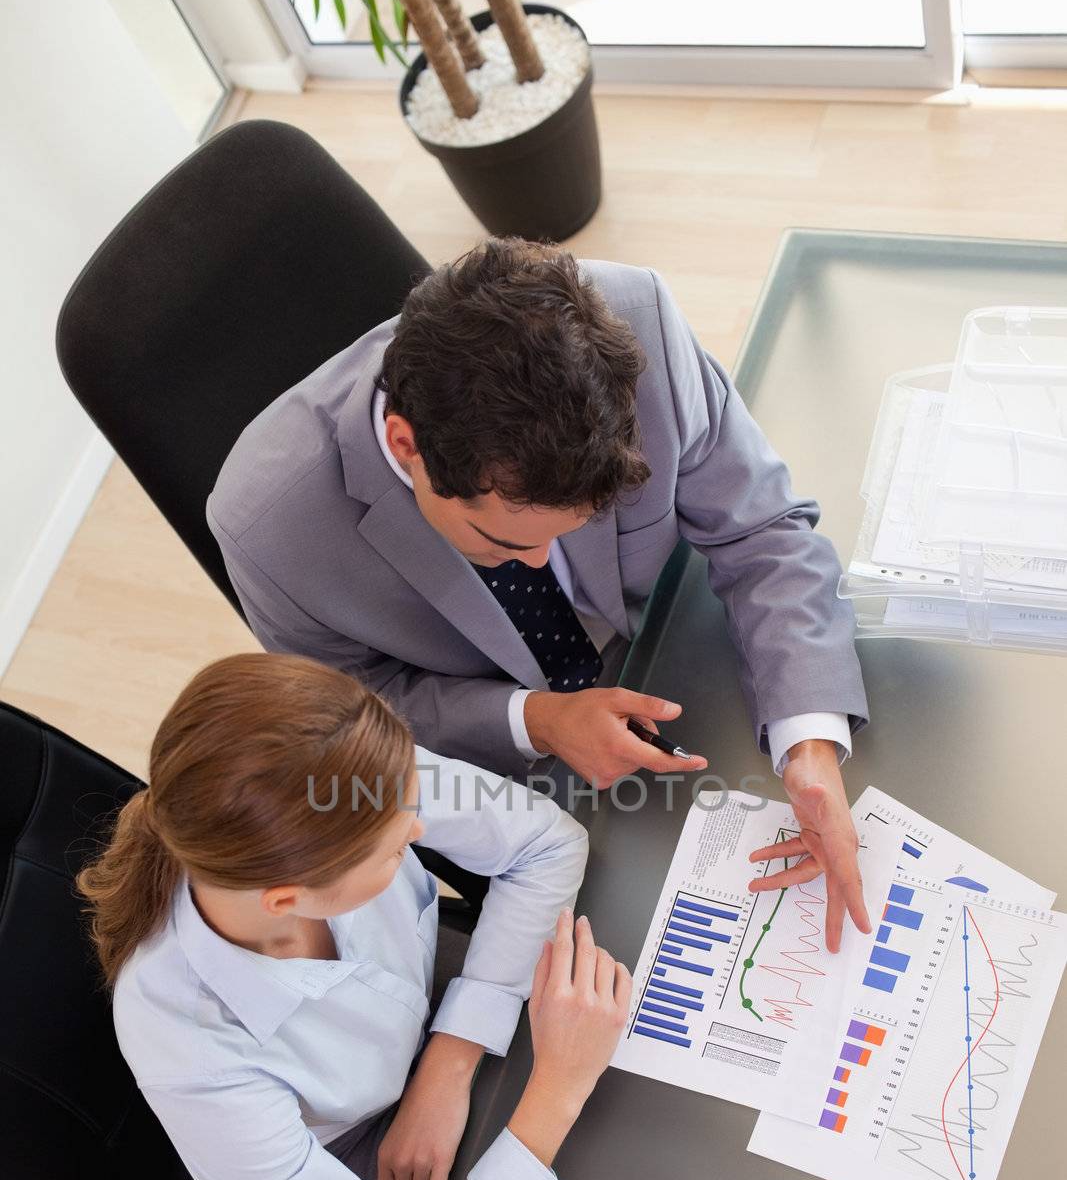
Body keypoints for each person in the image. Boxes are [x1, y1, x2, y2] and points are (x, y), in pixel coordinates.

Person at [208, 237, 870, 952]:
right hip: (526, 778)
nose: (544, 560)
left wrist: (808, 744)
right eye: (504, 545)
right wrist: (537, 721)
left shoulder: (637, 322)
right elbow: (355, 714)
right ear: (406, 446)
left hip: (693, 648)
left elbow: (763, 528)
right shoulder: (265, 528)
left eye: (573, 527)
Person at [77, 652, 630, 1180]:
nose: (421, 829)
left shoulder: (347, 779)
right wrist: (557, 1090)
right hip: (366, 1145)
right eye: (396, 846)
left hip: (441, 1038)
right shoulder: (194, 1053)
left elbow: (546, 842)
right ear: (287, 901)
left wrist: (449, 1062)